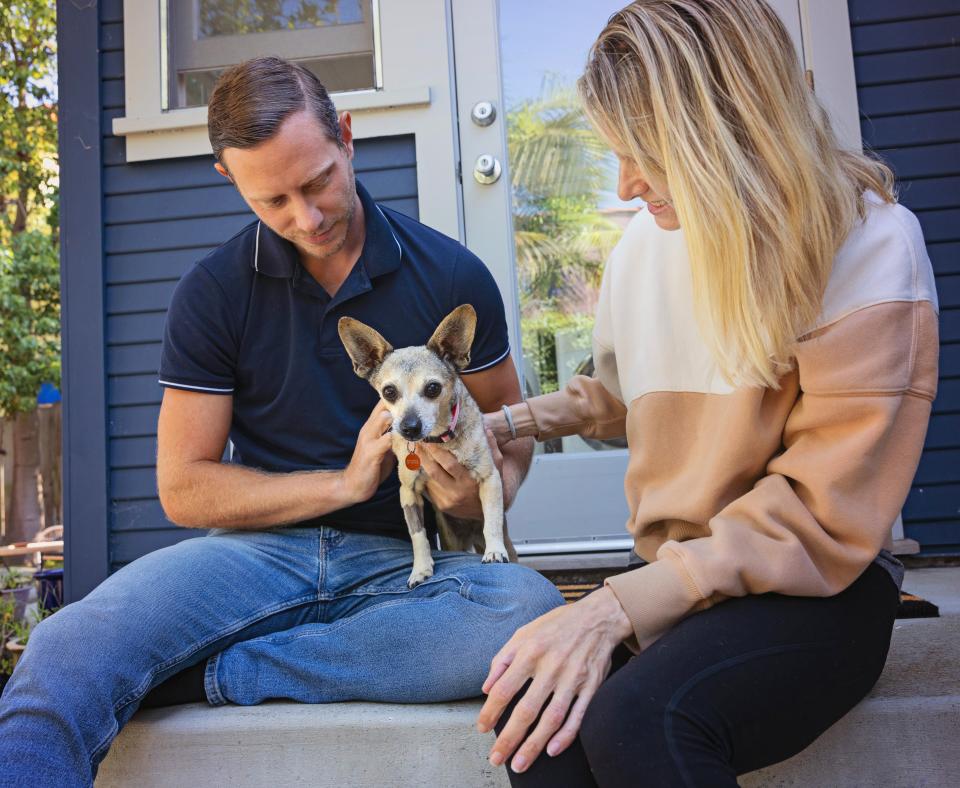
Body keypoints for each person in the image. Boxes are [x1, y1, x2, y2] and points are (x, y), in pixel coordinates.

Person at [0, 57, 562, 786]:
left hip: (404, 568)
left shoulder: (452, 276)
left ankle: (226, 671)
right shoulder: (210, 294)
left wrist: (485, 490)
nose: (308, 215)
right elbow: (185, 488)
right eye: (273, 199)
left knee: (524, 606)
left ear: (348, 139)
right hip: (251, 557)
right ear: (230, 181)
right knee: (64, 646)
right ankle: (303, 644)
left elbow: (510, 434)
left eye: (319, 179)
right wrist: (344, 483)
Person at [478, 1, 939, 785]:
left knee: (642, 715)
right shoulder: (640, 247)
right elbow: (620, 398)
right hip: (682, 576)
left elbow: (819, 509)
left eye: (644, 153)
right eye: (616, 153)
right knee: (541, 729)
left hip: (817, 586)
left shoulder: (871, 247)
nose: (625, 184)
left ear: (726, 129)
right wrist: (508, 422)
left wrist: (619, 605)